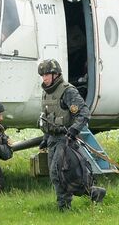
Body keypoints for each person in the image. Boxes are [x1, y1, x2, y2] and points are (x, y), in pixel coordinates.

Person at [38, 59, 106, 210]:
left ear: (56, 74)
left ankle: (65, 206)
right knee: (55, 174)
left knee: (59, 174)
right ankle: (91, 193)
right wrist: (45, 137)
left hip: (66, 139)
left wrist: (74, 129)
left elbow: (84, 113)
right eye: (42, 75)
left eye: (47, 74)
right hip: (52, 139)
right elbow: (47, 117)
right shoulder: (46, 92)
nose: (44, 78)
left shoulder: (68, 91)